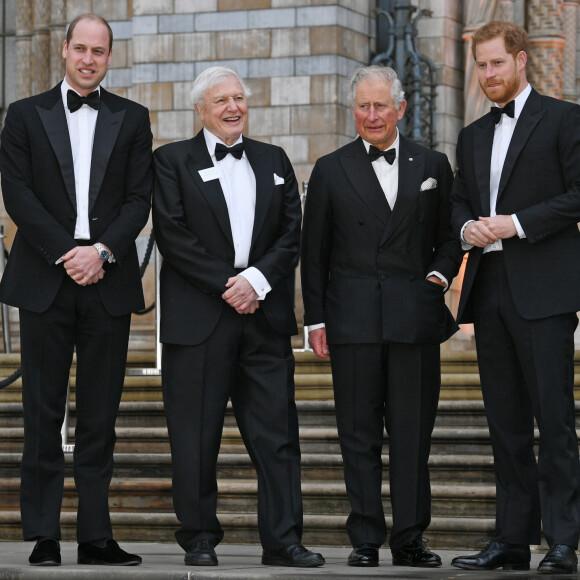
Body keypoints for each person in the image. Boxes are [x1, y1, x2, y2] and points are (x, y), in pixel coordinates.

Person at [152, 65, 325, 569]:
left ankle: (284, 540)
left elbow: (291, 232)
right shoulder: (171, 161)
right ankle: (200, 536)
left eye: (239, 98)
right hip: (199, 320)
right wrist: (230, 284)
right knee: (195, 436)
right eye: (221, 100)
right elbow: (173, 234)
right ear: (200, 109)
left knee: (277, 435)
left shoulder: (273, 159)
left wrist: (257, 282)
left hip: (263, 320)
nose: (233, 107)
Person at [0, 13, 152, 567]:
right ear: (64, 50)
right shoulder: (23, 115)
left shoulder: (133, 118)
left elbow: (140, 198)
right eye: (80, 48)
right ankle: (43, 534)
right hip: (46, 277)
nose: (89, 59)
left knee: (99, 415)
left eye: (99, 51)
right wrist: (68, 252)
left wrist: (102, 252)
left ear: (110, 57)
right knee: (41, 411)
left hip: (106, 280)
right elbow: (16, 194)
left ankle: (95, 537)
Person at [301, 64, 463, 568]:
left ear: (401, 109)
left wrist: (437, 278)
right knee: (358, 434)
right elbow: (314, 253)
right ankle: (365, 536)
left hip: (415, 320)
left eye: (380, 106)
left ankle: (410, 537)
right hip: (352, 324)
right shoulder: (329, 168)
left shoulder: (434, 163)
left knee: (414, 434)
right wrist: (316, 320)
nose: (371, 115)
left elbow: (448, 235)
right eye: (363, 106)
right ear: (354, 110)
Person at [450, 21, 580, 575]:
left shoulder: (565, 119)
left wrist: (514, 224)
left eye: (496, 64)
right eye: (481, 66)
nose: (488, 75)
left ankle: (564, 540)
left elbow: (577, 196)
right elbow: (457, 202)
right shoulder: (473, 134)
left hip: (545, 291)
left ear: (521, 61)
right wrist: (466, 231)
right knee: (504, 424)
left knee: (553, 421)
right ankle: (511, 540)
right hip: (491, 291)